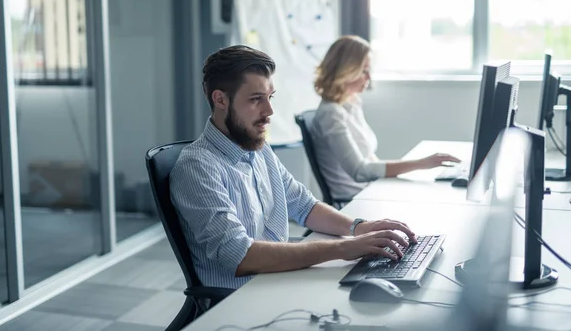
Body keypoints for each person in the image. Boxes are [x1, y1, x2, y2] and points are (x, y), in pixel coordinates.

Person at [170, 45, 417, 290]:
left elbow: (303, 204)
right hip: (243, 297)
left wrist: (359, 228)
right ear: (220, 99)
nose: (269, 111)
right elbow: (241, 255)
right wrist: (344, 248)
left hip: (280, 279)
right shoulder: (197, 167)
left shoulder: (259, 149)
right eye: (256, 99)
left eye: (270, 97)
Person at [310, 35, 460, 201]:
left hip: (370, 190)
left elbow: (370, 159)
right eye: (364, 71)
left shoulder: (351, 104)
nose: (369, 78)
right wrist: (421, 164)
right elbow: (360, 171)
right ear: (346, 70)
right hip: (354, 201)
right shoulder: (330, 114)